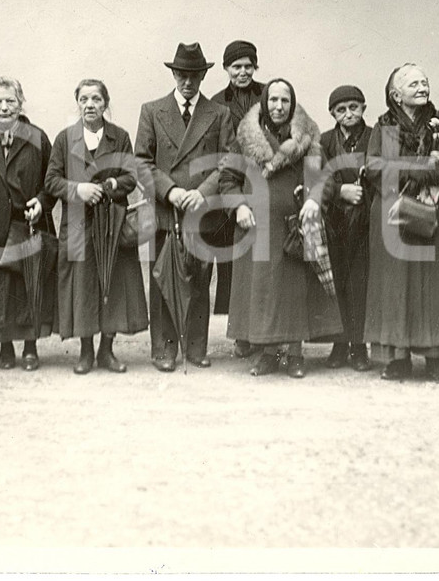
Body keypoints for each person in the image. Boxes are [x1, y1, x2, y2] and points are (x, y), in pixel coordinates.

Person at [221, 79, 341, 378]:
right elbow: (227, 179)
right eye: (273, 100)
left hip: (295, 228)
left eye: (284, 101)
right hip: (257, 228)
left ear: (292, 104)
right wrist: (239, 206)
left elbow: (325, 178)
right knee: (265, 292)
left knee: (294, 291)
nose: (278, 106)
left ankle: (296, 354)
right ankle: (268, 353)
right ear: (264, 103)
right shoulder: (246, 140)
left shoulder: (307, 139)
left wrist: (315, 200)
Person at [363, 63, 439, 383]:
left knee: (435, 283)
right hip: (394, 213)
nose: (422, 87)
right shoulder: (383, 128)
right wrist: (422, 166)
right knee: (396, 284)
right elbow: (374, 168)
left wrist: (436, 167)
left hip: (437, 210)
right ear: (396, 95)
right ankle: (398, 358)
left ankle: (435, 358)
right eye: (413, 84)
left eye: (425, 82)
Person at [134, 42, 235, 372]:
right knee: (163, 277)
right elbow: (140, 162)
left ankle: (195, 347)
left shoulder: (219, 114)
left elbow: (228, 162)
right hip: (167, 211)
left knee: (199, 280)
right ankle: (164, 350)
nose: (187, 82)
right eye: (181, 75)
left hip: (202, 212)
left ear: (203, 76)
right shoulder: (152, 110)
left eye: (193, 75)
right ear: (174, 74)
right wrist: (171, 191)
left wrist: (203, 192)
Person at [46, 79, 148, 374]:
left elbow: (131, 177)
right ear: (77, 103)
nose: (90, 105)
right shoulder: (65, 139)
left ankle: (107, 350)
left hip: (111, 225)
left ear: (106, 104)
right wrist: (78, 189)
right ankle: (86, 351)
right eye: (84, 100)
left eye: (96, 100)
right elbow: (51, 180)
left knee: (112, 285)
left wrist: (113, 183)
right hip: (78, 225)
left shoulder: (120, 137)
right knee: (82, 286)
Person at [0, 77, 58, 371]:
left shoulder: (38, 138)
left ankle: (30, 347)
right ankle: (5, 346)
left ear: (21, 102)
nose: (4, 108)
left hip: (28, 225)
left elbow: (52, 181)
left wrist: (42, 203)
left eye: (10, 101)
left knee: (29, 285)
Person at [208, 40, 266, 355]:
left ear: (255, 66)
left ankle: (266, 331)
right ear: (226, 69)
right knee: (234, 266)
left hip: (265, 187)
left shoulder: (270, 95)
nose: (242, 72)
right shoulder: (217, 103)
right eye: (236, 66)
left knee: (265, 262)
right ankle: (242, 334)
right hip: (229, 189)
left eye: (248, 66)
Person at [320, 85, 374, 372]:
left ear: (364, 107)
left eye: (354, 107)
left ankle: (359, 345)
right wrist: (339, 190)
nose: (348, 113)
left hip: (366, 222)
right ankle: (339, 344)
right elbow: (317, 175)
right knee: (337, 280)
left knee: (360, 282)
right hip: (335, 221)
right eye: (341, 109)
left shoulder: (375, 136)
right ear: (333, 114)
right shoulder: (326, 141)